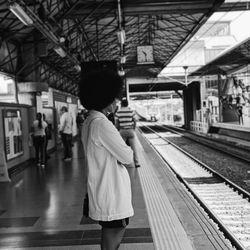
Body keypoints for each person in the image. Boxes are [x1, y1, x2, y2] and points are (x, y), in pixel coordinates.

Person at [79, 69, 134, 250]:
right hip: (112, 191)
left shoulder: (89, 121)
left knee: (109, 234)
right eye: (113, 99)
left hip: (102, 187)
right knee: (114, 236)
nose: (116, 102)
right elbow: (127, 156)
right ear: (104, 99)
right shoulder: (102, 124)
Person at [115, 98, 140, 168]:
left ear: (121, 104)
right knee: (134, 147)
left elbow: (116, 123)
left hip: (122, 131)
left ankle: (120, 161)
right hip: (130, 130)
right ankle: (137, 163)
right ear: (127, 104)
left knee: (121, 147)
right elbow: (135, 120)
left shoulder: (118, 112)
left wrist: (118, 130)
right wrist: (133, 129)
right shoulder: (131, 111)